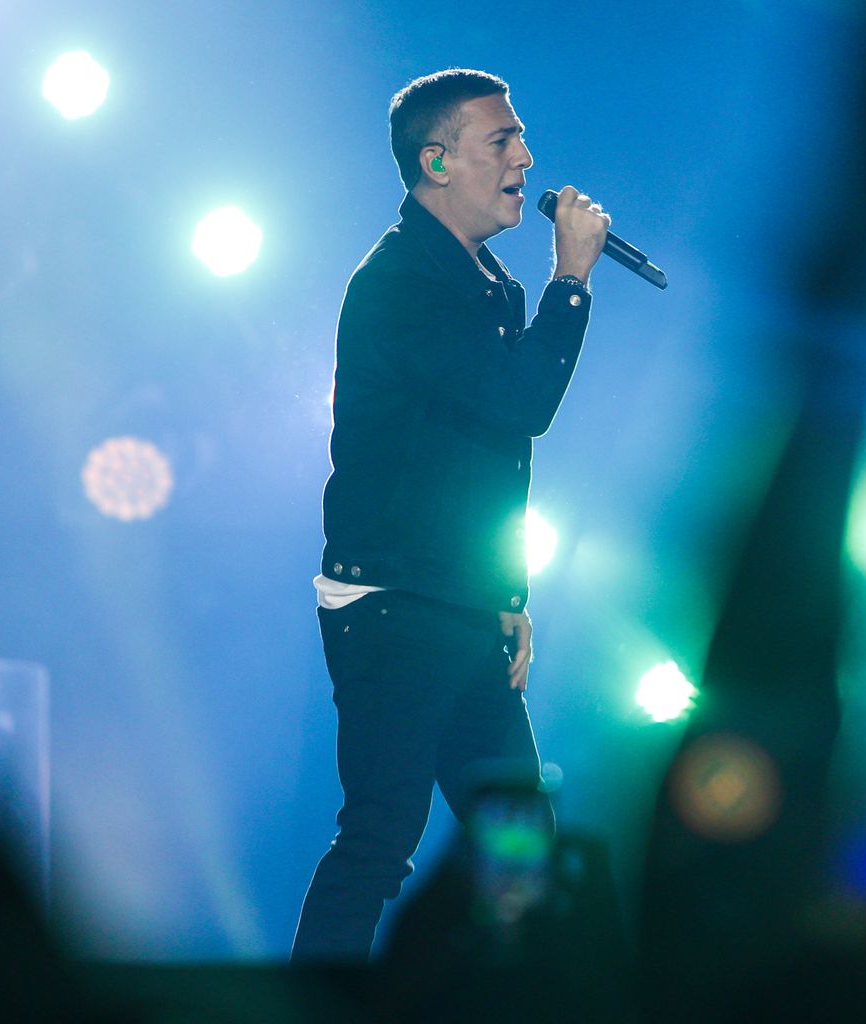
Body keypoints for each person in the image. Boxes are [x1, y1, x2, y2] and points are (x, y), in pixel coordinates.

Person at [291, 68, 609, 961]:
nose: (526, 159)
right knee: (380, 837)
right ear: (436, 161)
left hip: (459, 602)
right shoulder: (400, 282)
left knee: (520, 843)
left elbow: (486, 466)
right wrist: (572, 279)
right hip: (394, 603)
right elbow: (520, 403)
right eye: (501, 140)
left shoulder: (486, 283)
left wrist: (504, 590)